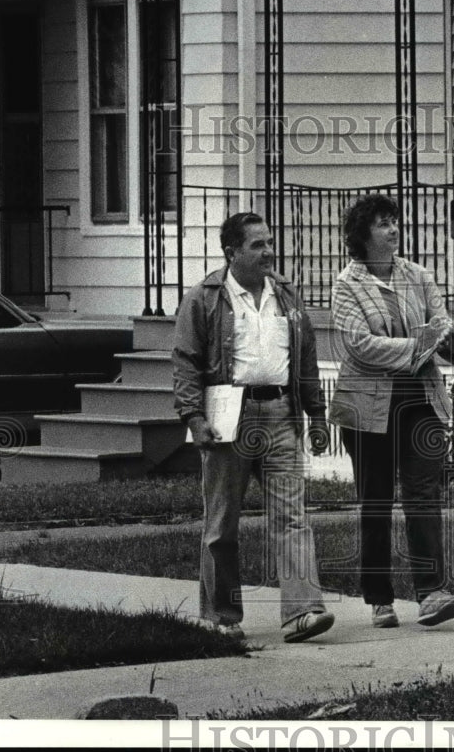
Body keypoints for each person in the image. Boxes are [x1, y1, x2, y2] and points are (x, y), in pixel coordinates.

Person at [172, 211, 335, 643]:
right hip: (229, 417)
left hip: (282, 412)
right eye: (258, 245)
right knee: (223, 520)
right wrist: (194, 416)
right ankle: (223, 617)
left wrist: (316, 416)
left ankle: (304, 611)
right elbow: (186, 363)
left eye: (269, 242)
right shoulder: (204, 298)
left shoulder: (285, 294)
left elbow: (305, 359)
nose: (269, 251)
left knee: (293, 517)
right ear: (232, 253)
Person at [328, 194, 454, 629]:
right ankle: (379, 599)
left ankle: (431, 593)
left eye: (395, 222)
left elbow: (440, 321)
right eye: (383, 224)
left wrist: (450, 339)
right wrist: (420, 345)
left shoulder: (419, 275)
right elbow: (360, 345)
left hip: (419, 401)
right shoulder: (345, 285)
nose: (393, 230)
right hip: (367, 405)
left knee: (424, 495)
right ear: (362, 235)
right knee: (375, 501)